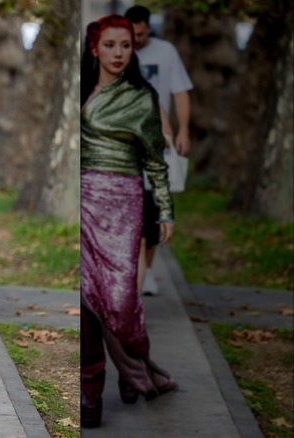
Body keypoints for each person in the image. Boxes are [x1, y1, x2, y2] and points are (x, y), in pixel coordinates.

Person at [79, 15, 177, 429]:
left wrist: (166, 209)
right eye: (111, 45)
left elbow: (156, 159)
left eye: (126, 45)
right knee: (86, 299)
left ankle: (135, 371)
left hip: (122, 201)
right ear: (94, 49)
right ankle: (91, 392)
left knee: (119, 299)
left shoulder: (142, 97)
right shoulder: (81, 91)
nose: (119, 53)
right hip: (81, 199)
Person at [125, 5, 193, 296]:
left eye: (140, 34)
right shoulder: (119, 52)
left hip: (156, 143)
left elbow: (178, 93)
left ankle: (147, 271)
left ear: (148, 29)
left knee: (151, 215)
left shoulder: (166, 52)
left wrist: (181, 131)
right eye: (131, 34)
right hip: (126, 147)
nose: (135, 40)